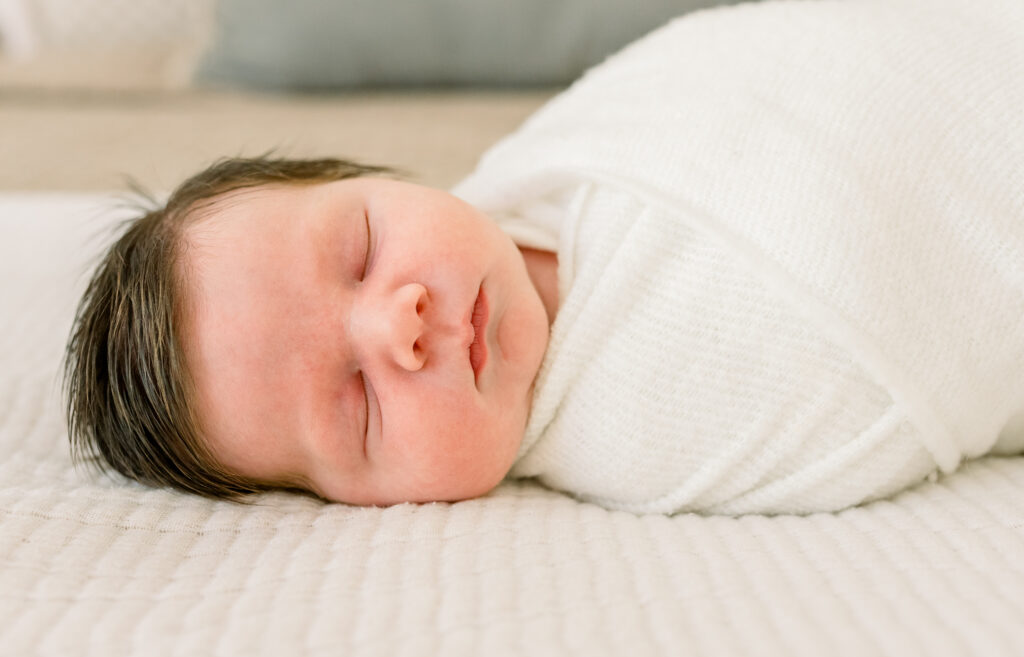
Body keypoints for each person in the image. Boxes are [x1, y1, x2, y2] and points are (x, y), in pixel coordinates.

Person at [64, 0, 1024, 515]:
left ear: (383, 175)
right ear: (351, 500)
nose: (394, 323)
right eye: (354, 403)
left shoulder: (560, 150)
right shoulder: (643, 430)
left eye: (359, 248)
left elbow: (756, 63)